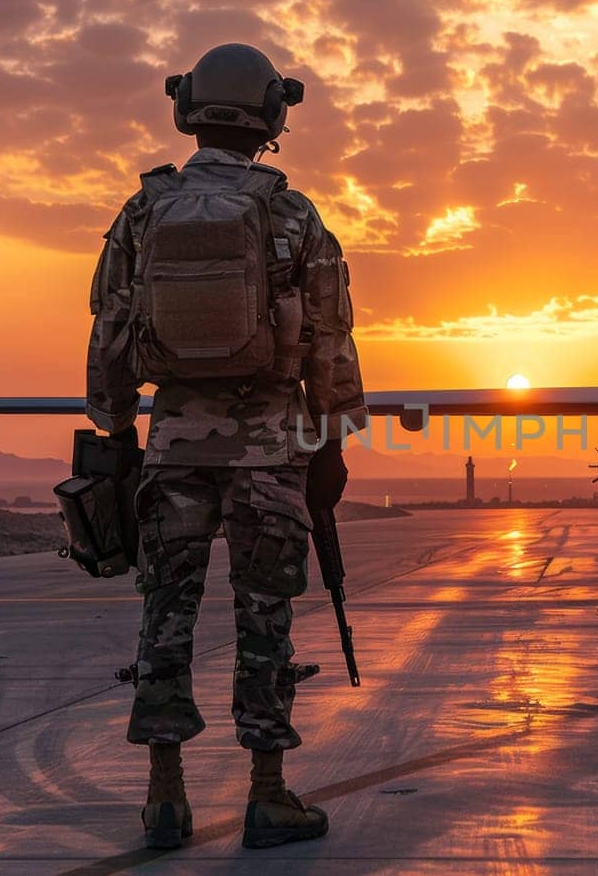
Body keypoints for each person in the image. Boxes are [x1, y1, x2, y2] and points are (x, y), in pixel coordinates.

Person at [85, 42, 367, 851]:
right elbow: (329, 338)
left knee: (165, 613)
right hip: (271, 448)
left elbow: (109, 328)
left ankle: (165, 797)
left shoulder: (144, 211)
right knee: (264, 613)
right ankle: (268, 793)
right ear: (273, 116)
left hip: (172, 446)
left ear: (188, 110)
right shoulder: (293, 213)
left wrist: (116, 428)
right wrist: (334, 440)